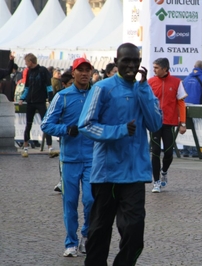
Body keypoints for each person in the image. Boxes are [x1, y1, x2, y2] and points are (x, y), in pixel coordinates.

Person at [78, 43, 163, 266]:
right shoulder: (102, 88)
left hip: (135, 175)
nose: (131, 65)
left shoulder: (144, 89)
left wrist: (144, 90)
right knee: (98, 233)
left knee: (135, 234)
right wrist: (119, 130)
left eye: (135, 61)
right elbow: (85, 125)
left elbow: (155, 124)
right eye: (126, 61)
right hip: (106, 174)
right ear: (116, 62)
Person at [41, 58, 95, 257]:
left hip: (92, 159)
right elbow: (46, 124)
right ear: (73, 73)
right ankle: (70, 242)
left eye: (87, 70)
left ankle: (86, 236)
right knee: (70, 202)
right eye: (80, 70)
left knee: (91, 200)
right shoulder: (62, 96)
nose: (84, 73)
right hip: (70, 160)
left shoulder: (96, 95)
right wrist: (65, 129)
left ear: (91, 73)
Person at [148, 57, 187, 193]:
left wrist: (182, 123)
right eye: (154, 67)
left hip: (170, 123)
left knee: (169, 153)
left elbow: (181, 103)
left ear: (165, 69)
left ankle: (164, 172)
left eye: (156, 68)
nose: (154, 70)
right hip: (154, 123)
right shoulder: (150, 82)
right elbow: (145, 102)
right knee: (155, 152)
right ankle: (156, 182)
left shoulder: (177, 82)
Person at [18, 53, 53, 157]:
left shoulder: (43, 71)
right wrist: (22, 98)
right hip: (30, 102)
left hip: (41, 101)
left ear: (30, 61)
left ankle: (50, 147)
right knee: (28, 124)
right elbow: (27, 87)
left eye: (26, 61)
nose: (25, 63)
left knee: (46, 124)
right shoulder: (28, 72)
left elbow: (49, 86)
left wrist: (51, 99)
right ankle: (25, 148)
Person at [53, 70, 74, 192]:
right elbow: (50, 123)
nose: (73, 85)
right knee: (63, 158)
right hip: (66, 135)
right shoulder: (60, 97)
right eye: (71, 83)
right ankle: (62, 181)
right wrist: (64, 129)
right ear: (64, 84)